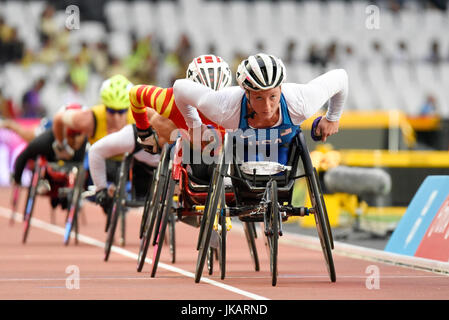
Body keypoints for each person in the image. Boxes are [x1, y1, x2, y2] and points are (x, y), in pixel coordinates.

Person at [172, 53, 348, 165]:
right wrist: (194, 125)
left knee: (279, 186)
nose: (267, 107)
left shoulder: (301, 101)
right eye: (258, 97)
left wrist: (332, 117)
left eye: (273, 96)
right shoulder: (224, 107)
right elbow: (179, 87)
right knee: (249, 188)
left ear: (281, 89)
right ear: (246, 93)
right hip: (242, 146)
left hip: (282, 145)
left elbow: (341, 77)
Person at [129, 54, 232, 180]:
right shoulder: (171, 100)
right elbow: (135, 94)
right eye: (204, 100)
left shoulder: (240, 101)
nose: (210, 108)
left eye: (218, 98)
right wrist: (144, 131)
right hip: (193, 156)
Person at [52, 74, 136, 212]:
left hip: (128, 164)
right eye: (111, 110)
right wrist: (62, 146)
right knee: (88, 159)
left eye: (121, 111)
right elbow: (58, 118)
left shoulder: (140, 116)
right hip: (97, 164)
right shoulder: (90, 118)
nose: (116, 117)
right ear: (104, 106)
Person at [12, 103, 87, 210]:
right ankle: (49, 189)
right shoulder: (47, 140)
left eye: (78, 133)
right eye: (71, 133)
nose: (75, 139)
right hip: (50, 173)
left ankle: (67, 200)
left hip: (71, 175)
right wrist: (17, 179)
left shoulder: (86, 143)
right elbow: (24, 155)